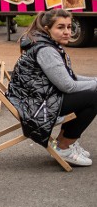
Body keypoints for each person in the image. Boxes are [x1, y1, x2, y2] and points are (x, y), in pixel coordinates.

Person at [7, 9, 96, 167]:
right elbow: (68, 85)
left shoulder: (45, 44)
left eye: (69, 27)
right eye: (60, 27)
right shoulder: (46, 50)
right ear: (47, 29)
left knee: (91, 92)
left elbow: (69, 78)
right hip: (36, 105)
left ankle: (65, 142)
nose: (67, 32)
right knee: (94, 96)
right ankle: (64, 146)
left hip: (38, 99)